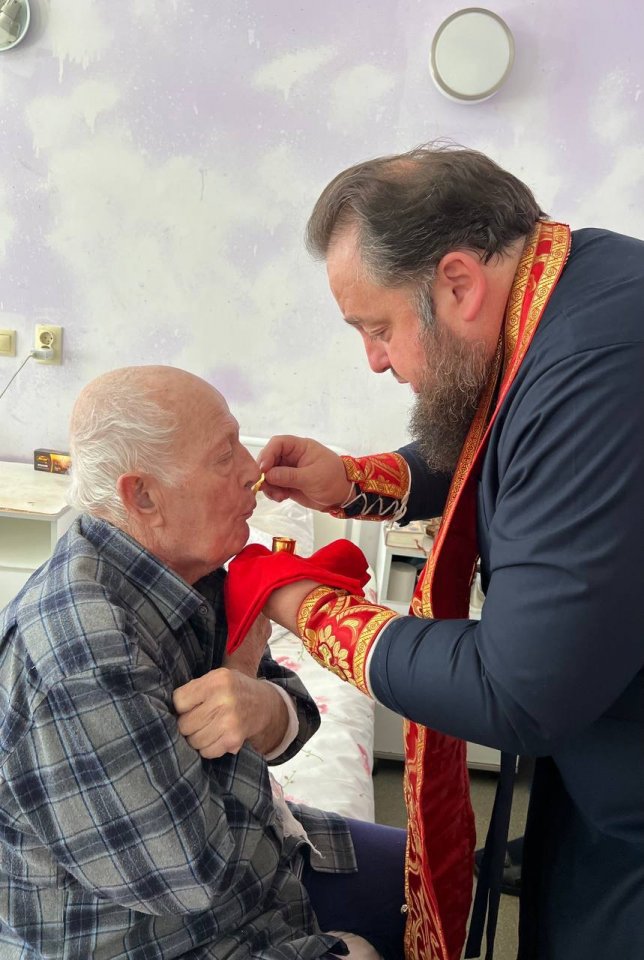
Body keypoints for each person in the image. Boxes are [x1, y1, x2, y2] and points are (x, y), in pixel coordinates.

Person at [240, 145, 644, 960]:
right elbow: (497, 435)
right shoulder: (569, 284)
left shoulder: (602, 365)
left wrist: (299, 602)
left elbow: (519, 688)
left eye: (378, 328)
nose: (375, 360)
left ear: (457, 283)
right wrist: (352, 482)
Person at [0, 365, 407, 960]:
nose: (252, 471)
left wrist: (263, 705)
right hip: (159, 935)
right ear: (143, 496)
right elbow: (194, 874)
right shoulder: (83, 654)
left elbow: (297, 717)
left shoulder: (188, 568)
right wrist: (241, 677)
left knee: (429, 877)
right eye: (224, 456)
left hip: (255, 865)